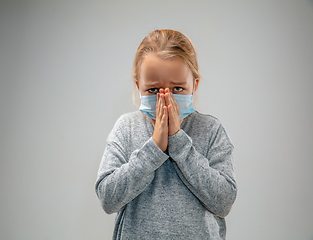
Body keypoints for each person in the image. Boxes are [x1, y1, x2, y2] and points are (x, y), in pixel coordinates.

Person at [95, 29, 237, 240]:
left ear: (194, 85)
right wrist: (153, 148)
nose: (165, 99)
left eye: (177, 88)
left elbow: (224, 201)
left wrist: (178, 142)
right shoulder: (126, 128)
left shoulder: (210, 129)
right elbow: (107, 198)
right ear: (138, 87)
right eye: (153, 90)